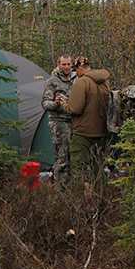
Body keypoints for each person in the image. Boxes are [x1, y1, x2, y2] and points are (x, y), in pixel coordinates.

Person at [63, 55, 110, 183]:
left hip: (83, 133)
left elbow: (75, 109)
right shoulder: (105, 82)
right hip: (101, 132)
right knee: (99, 169)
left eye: (75, 69)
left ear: (79, 68)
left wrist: (64, 104)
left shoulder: (81, 82)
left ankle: (78, 200)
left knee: (78, 168)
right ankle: (101, 198)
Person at [41, 54, 75, 188]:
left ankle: (72, 187)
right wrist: (56, 103)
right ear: (58, 64)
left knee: (73, 157)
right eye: (64, 64)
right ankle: (61, 189)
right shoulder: (52, 81)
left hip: (74, 121)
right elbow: (45, 104)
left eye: (68, 64)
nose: (66, 67)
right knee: (62, 158)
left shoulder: (77, 79)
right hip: (59, 122)